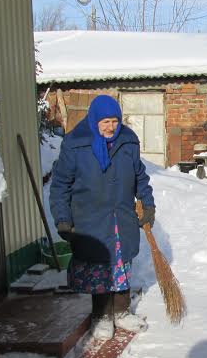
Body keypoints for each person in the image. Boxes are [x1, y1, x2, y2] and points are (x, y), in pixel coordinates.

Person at [49, 94, 155, 339]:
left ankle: (122, 311)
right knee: (99, 269)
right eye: (105, 122)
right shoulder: (76, 144)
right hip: (91, 219)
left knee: (121, 265)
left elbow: (140, 176)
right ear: (94, 120)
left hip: (122, 217)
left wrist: (147, 205)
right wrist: (63, 220)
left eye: (115, 122)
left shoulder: (128, 142)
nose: (111, 127)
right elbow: (60, 185)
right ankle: (102, 316)